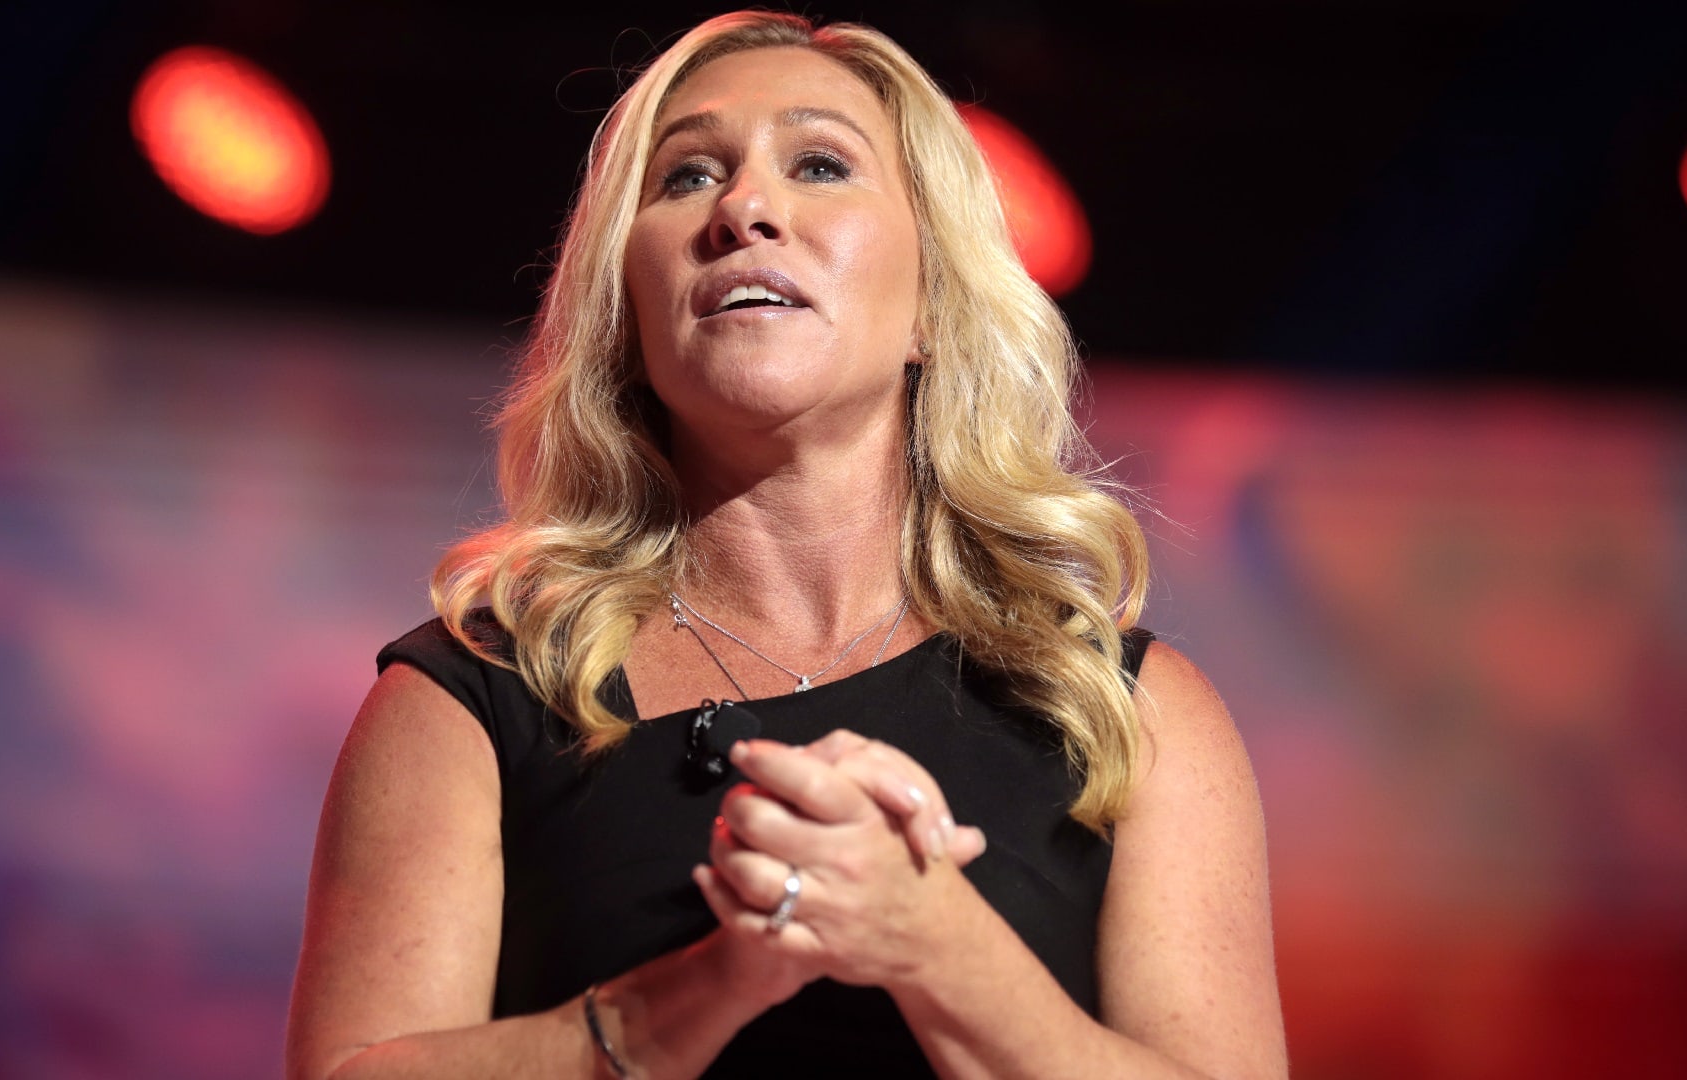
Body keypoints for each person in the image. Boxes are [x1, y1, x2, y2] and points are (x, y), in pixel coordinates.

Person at [286, 10, 1285, 1078]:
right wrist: (714, 982)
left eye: (818, 163)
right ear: (626, 314)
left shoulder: (1127, 715)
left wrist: (939, 947)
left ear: (932, 311)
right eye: (684, 179)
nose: (745, 210)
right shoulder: (477, 698)